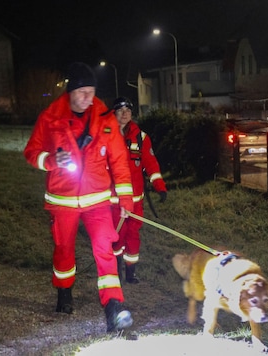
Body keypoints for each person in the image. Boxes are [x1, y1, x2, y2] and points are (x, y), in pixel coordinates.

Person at [23, 62, 134, 332]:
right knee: (64, 250)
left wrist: (126, 201)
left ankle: (113, 307)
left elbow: (120, 162)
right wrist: (50, 160)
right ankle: (64, 292)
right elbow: (31, 153)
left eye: (92, 92)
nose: (88, 99)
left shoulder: (106, 118)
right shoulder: (50, 117)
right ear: (70, 92)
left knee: (104, 251)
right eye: (82, 92)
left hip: (97, 201)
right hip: (63, 201)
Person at [110, 97, 167, 284]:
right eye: (120, 110)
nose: (124, 113)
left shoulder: (141, 138)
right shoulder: (106, 136)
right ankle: (115, 271)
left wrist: (160, 187)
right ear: (114, 113)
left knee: (133, 236)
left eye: (128, 110)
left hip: (135, 201)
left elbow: (151, 164)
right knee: (117, 237)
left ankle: (130, 273)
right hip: (114, 201)